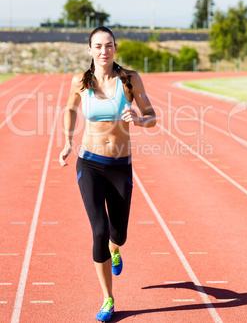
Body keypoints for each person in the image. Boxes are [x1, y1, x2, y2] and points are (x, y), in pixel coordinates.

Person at [59, 26, 156, 322]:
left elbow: (152, 117)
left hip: (119, 166)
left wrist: (140, 120)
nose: (104, 51)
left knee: (118, 234)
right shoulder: (80, 81)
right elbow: (70, 109)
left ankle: (116, 249)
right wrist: (67, 141)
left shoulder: (129, 80)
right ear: (89, 50)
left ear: (115, 48)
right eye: (98, 46)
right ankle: (108, 299)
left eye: (109, 45)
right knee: (98, 231)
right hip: (88, 163)